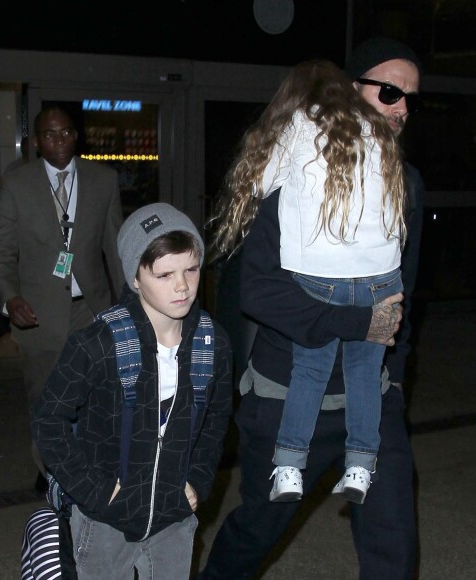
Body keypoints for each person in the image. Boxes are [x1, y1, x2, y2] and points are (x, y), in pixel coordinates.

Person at [197, 36, 424, 579]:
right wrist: (359, 324)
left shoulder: (406, 184)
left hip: (373, 399)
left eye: (411, 97)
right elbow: (260, 291)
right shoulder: (295, 178)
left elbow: (402, 299)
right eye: (390, 91)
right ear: (349, 90)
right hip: (289, 398)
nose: (403, 109)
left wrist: (391, 380)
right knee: (258, 528)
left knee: (394, 548)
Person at [31, 202, 233, 579]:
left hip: (173, 518)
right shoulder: (98, 342)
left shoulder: (211, 343)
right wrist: (96, 491)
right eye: (164, 274)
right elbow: (48, 420)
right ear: (135, 278)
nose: (182, 286)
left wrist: (198, 480)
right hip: (107, 521)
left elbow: (216, 419)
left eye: (191, 269)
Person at [254, 59, 406, 505]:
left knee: (310, 372)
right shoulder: (380, 130)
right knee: (364, 374)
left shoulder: (301, 124)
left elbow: (263, 184)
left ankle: (288, 468)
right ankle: (360, 466)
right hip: (380, 279)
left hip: (321, 279)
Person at [0, 104, 124, 492]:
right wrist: (10, 298)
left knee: (95, 398)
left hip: (92, 313)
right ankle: (51, 474)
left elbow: (115, 249)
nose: (58, 140)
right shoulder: (17, 184)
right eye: (49, 134)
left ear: (75, 135)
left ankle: (90, 469)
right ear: (36, 142)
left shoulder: (103, 180)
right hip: (39, 317)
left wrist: (130, 305)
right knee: (47, 402)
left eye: (65, 133)